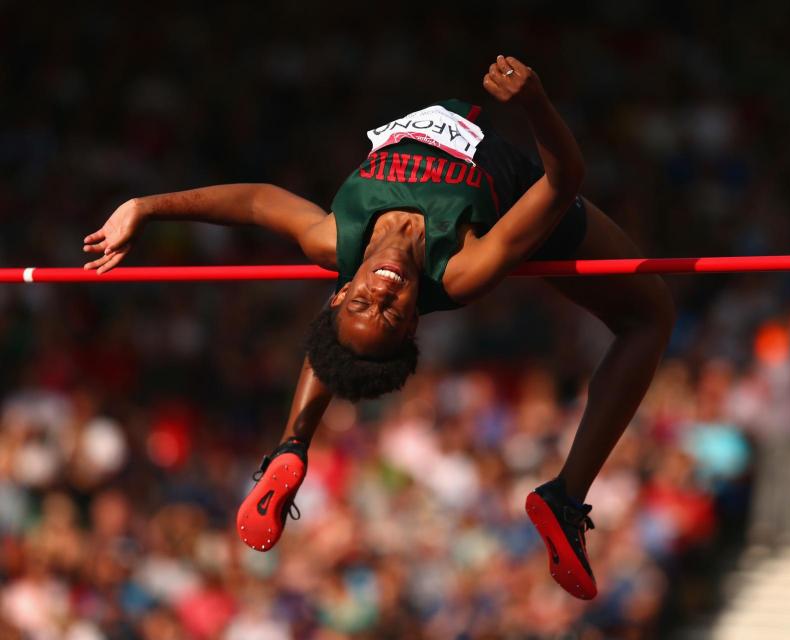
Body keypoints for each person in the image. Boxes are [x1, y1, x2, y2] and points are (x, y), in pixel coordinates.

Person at [82, 55, 675, 600]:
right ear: (414, 317)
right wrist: (535, 103)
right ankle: (565, 496)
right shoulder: (463, 267)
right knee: (650, 317)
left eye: (363, 301)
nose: (382, 292)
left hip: (395, 212)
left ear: (342, 292)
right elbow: (565, 179)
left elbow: (258, 202)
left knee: (346, 308)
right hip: (518, 194)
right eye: (390, 311)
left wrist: (146, 206)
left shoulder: (332, 240)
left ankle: (290, 445)